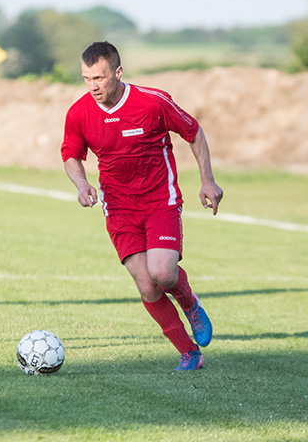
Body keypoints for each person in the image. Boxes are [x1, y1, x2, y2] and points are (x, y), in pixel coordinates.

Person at [61, 41, 224, 371]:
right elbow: (71, 155)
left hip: (159, 200)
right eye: (86, 78)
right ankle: (189, 352)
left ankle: (189, 303)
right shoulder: (79, 113)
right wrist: (82, 184)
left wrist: (207, 180)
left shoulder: (152, 102)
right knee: (146, 284)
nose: (92, 86)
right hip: (119, 208)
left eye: (100, 78)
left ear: (118, 73)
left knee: (163, 273)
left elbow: (193, 133)